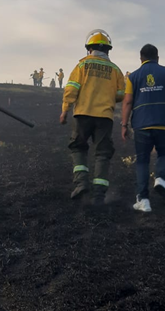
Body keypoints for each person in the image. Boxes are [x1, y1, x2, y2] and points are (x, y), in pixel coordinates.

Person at [121, 44, 165, 213]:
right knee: (164, 153)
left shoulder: (133, 77)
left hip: (142, 124)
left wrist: (124, 125)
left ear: (141, 59)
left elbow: (128, 102)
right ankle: (161, 178)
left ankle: (143, 200)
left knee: (142, 161)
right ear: (157, 58)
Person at [60, 29, 125, 205]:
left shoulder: (82, 66)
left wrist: (65, 110)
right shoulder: (115, 70)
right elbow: (121, 94)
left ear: (89, 49)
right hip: (105, 117)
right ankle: (99, 196)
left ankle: (81, 183)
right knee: (102, 153)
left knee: (78, 147)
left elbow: (72, 89)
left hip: (83, 114)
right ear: (108, 50)